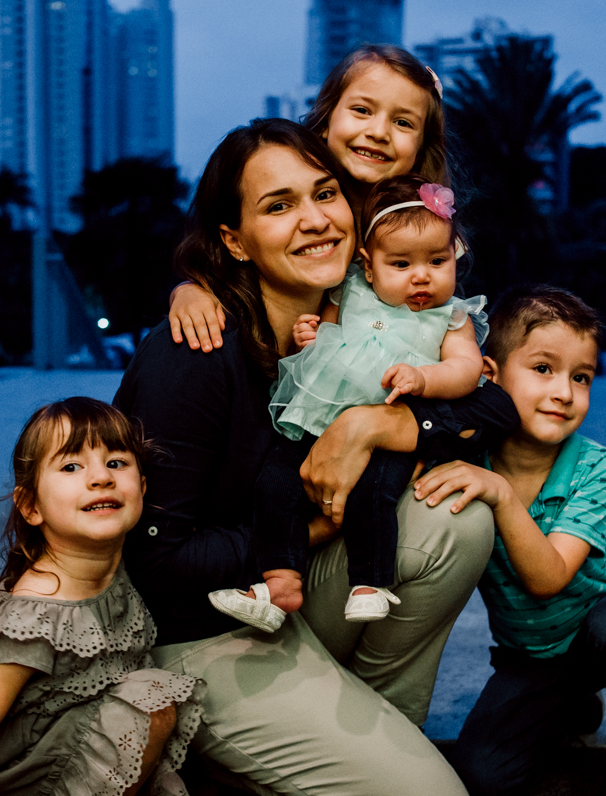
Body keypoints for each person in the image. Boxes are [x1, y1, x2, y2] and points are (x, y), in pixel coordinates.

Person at [113, 118, 517, 796]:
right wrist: (313, 530)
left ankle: (365, 739)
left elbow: (491, 409)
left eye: (325, 194)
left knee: (456, 520)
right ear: (235, 241)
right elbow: (153, 562)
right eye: (279, 206)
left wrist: (377, 423)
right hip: (202, 633)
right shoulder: (196, 354)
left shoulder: (363, 311)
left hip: (293, 602)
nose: (314, 219)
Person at [411, 286, 606, 796]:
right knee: (481, 775)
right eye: (543, 369)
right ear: (490, 375)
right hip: (531, 655)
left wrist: (500, 495)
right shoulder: (465, 462)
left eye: (581, 377)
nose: (565, 392)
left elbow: (548, 578)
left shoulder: (597, 466)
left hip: (602, 627)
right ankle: (571, 704)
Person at [208, 174, 489, 630]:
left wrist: (424, 377)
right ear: (369, 266)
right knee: (275, 482)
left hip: (391, 423)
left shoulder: (451, 316)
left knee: (374, 494)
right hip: (321, 414)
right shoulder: (350, 291)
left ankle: (370, 582)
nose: (421, 275)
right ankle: (280, 582)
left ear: (455, 256)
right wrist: (309, 338)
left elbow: (467, 369)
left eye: (437, 261)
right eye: (401, 263)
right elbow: (327, 336)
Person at [0, 398, 205, 796]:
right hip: (33, 783)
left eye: (116, 462)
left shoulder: (116, 563)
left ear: (143, 488)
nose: (101, 478)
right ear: (31, 506)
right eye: (71, 467)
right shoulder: (37, 616)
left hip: (88, 745)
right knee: (148, 701)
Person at [168, 43, 449, 353]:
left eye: (403, 123)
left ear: (422, 146)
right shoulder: (287, 195)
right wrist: (191, 292)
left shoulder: (424, 228)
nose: (379, 132)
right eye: (362, 110)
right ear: (326, 120)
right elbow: (235, 268)